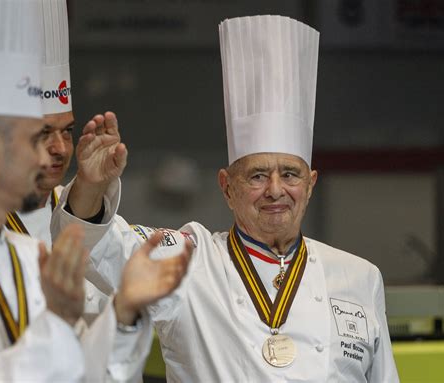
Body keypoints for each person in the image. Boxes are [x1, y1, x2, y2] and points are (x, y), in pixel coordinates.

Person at [53, 15, 399, 382]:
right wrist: (91, 184)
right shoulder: (188, 262)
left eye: (291, 174)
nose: (276, 190)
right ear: (227, 186)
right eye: (258, 175)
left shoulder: (360, 277)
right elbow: (96, 246)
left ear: (311, 184)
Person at [0, 1, 191, 381]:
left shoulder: (26, 256)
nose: (50, 156)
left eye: (65, 132)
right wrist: (57, 322)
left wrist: (124, 311)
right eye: (35, 138)